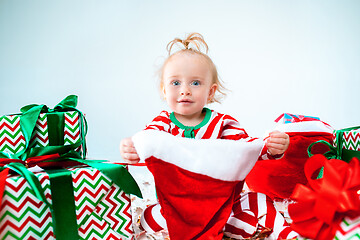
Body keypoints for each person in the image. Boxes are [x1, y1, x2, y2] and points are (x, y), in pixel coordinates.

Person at [120, 33, 297, 239]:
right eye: (175, 83)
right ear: (164, 89)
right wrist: (132, 149)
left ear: (211, 92)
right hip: (176, 205)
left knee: (258, 201)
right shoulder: (162, 123)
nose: (185, 90)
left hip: (220, 202)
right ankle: (219, 228)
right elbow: (148, 142)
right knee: (149, 218)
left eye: (195, 83)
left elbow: (246, 147)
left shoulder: (223, 123)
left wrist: (270, 147)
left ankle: (288, 234)